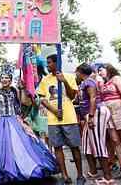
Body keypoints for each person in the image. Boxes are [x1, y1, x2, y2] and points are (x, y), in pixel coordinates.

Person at [0, 66, 59, 183]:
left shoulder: (15, 90)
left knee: (21, 145)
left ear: (10, 79)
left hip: (14, 120)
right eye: (2, 78)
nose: (4, 80)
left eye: (6, 77)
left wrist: (23, 88)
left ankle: (19, 168)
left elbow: (24, 102)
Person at [37, 54, 85, 185]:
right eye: (47, 63)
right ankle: (65, 176)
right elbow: (42, 99)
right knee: (57, 147)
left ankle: (80, 175)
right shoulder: (45, 80)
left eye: (50, 63)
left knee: (74, 147)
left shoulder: (69, 77)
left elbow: (72, 96)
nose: (47, 65)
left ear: (57, 63)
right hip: (53, 120)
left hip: (69, 118)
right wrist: (53, 111)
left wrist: (64, 81)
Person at [76, 63, 115, 184]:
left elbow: (93, 98)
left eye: (76, 72)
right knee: (86, 143)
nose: (75, 74)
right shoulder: (84, 83)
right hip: (89, 115)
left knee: (98, 144)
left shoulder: (89, 82)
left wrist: (91, 117)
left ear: (80, 72)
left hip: (95, 113)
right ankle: (93, 172)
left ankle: (108, 178)